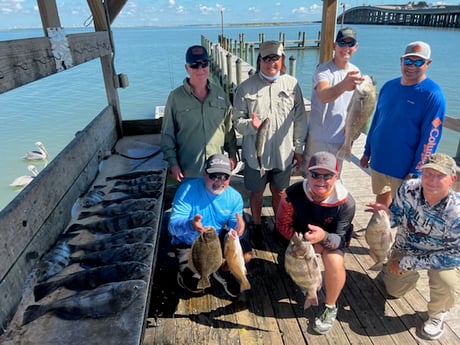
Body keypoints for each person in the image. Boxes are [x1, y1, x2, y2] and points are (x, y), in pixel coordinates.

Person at [365, 153, 459, 340]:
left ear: (452, 179)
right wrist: (386, 216)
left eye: (439, 175)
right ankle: (406, 276)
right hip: (406, 247)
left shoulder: (457, 211)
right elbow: (397, 216)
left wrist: (408, 264)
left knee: (447, 283)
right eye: (428, 173)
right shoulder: (409, 187)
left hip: (440, 255)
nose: (431, 180)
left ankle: (437, 313)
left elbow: (455, 255)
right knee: (393, 291)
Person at [232, 40, 308, 245]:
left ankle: (280, 224)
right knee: (256, 192)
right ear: (259, 60)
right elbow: (237, 123)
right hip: (255, 155)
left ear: (282, 59)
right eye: (266, 58)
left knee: (280, 191)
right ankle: (256, 225)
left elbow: (300, 118)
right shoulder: (244, 88)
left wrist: (299, 149)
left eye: (275, 57)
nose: (271, 62)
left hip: (283, 153)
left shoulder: (292, 84)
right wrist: (251, 125)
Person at [276, 151, 355, 335]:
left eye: (327, 175)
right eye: (315, 174)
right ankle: (310, 287)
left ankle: (330, 305)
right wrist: (301, 243)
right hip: (297, 242)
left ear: (337, 176)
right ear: (307, 174)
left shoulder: (346, 202)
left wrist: (322, 238)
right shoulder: (291, 194)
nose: (321, 180)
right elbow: (281, 225)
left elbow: (340, 237)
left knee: (334, 260)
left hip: (328, 239)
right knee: (290, 266)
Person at [360, 41, 446, 207]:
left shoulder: (433, 95)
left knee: (406, 209)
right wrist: (367, 151)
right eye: (408, 61)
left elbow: (430, 138)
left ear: (428, 63)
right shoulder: (388, 86)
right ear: (401, 61)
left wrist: (416, 170)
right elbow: (377, 120)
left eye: (418, 62)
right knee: (381, 202)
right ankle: (382, 231)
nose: (412, 66)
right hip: (379, 160)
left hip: (405, 167)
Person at [168, 154, 252, 299]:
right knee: (195, 286)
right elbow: (172, 226)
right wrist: (191, 225)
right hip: (190, 242)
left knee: (246, 255)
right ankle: (188, 276)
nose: (220, 181)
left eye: (224, 177)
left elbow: (234, 226)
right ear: (204, 174)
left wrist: (240, 228)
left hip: (216, 239)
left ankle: (220, 271)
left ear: (230, 177)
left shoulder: (235, 197)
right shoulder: (187, 190)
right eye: (214, 176)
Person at [161, 45, 237, 182]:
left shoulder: (220, 94)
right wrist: (173, 163)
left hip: (217, 170)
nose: (200, 70)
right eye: (195, 65)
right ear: (187, 68)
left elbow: (229, 129)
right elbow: (167, 134)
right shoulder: (175, 97)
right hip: (188, 171)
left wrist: (232, 154)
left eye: (204, 64)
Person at [305, 27, 364, 175]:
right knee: (313, 179)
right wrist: (345, 84)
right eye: (342, 43)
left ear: (356, 47)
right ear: (334, 46)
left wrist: (353, 134)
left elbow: (358, 108)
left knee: (333, 181)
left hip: (342, 140)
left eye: (351, 44)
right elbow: (324, 95)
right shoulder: (323, 71)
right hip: (319, 139)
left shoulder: (356, 72)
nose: (346, 48)